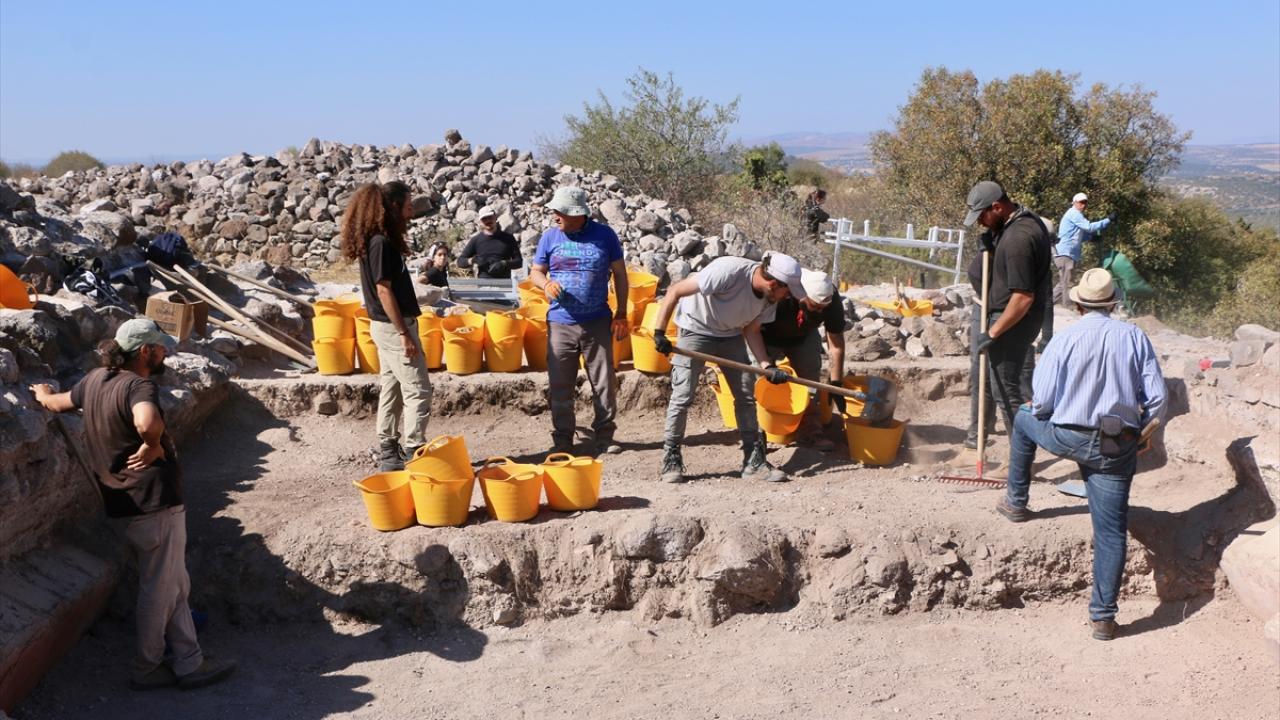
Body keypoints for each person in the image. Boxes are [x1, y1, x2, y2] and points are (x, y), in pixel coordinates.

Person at [30, 319, 236, 691]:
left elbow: (58, 403)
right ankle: (148, 666)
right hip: (153, 503)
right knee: (160, 588)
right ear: (144, 352)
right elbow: (147, 422)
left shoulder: (94, 380)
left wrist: (42, 394)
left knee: (173, 582)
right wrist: (152, 443)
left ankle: (189, 660)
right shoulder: (138, 385)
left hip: (125, 503)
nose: (165, 353)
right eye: (159, 348)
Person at [995, 268, 1166, 641]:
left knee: (1024, 419)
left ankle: (1016, 502)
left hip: (1069, 436)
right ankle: (1103, 618)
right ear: (1114, 303)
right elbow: (1157, 400)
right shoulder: (1134, 336)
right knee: (1111, 534)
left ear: (1076, 302)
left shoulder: (1066, 338)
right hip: (1116, 444)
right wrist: (1144, 433)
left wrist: (1047, 410)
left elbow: (1041, 401)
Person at [651, 252, 808, 484]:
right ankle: (671, 457)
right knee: (682, 395)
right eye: (787, 291)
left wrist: (767, 366)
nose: (788, 297)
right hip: (697, 328)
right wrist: (659, 332)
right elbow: (675, 290)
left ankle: (752, 462)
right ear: (774, 283)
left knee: (745, 396)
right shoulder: (728, 271)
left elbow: (751, 330)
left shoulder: (770, 298)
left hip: (731, 334)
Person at [529, 186, 628, 456]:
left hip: (597, 321)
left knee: (603, 381)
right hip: (560, 323)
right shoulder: (550, 237)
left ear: (576, 213)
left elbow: (620, 274)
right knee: (561, 383)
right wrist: (546, 284)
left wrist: (621, 313)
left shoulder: (605, 236)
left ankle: (605, 436)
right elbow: (535, 272)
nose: (554, 216)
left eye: (558, 211)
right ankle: (563, 439)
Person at [342, 181, 432, 472]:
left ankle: (388, 451)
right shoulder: (380, 243)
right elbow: (383, 290)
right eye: (406, 207)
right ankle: (414, 450)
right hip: (394, 328)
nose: (409, 213)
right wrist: (404, 333)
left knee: (392, 388)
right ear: (392, 207)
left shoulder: (380, 241)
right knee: (418, 389)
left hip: (388, 327)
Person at [963, 180, 1052, 431]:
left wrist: (993, 333)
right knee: (1001, 386)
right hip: (1006, 317)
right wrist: (992, 242)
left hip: (1012, 321)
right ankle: (1019, 458)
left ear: (997, 207)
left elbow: (1023, 298)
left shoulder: (1019, 240)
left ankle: (1020, 462)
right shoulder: (1017, 221)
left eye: (982, 216)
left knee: (1006, 390)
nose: (980, 221)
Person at [760, 268, 848, 449]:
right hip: (765, 335)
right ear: (801, 295)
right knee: (760, 383)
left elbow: (836, 343)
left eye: (822, 309)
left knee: (810, 383)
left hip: (803, 336)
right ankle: (757, 437)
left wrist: (836, 383)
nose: (818, 311)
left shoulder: (831, 299)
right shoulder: (782, 289)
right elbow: (752, 324)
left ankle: (810, 433)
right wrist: (766, 364)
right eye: (814, 306)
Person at [1055, 192, 1113, 308]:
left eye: (1085, 202)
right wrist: (1108, 220)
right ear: (1075, 202)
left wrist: (1091, 238)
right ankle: (1068, 307)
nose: (1084, 205)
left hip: (1067, 253)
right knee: (1067, 282)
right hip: (1066, 253)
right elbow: (1089, 227)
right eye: (1081, 202)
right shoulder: (1074, 213)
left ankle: (1045, 305)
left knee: (1063, 283)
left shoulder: (1075, 215)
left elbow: (1076, 235)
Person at [457, 206, 522, 279]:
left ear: (495, 218)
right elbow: (460, 261)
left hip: (505, 283)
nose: (488, 221)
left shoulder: (508, 239)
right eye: (484, 219)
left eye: (490, 217)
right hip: (484, 284)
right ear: (480, 222)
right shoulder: (476, 240)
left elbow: (519, 262)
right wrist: (473, 260)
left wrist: (504, 263)